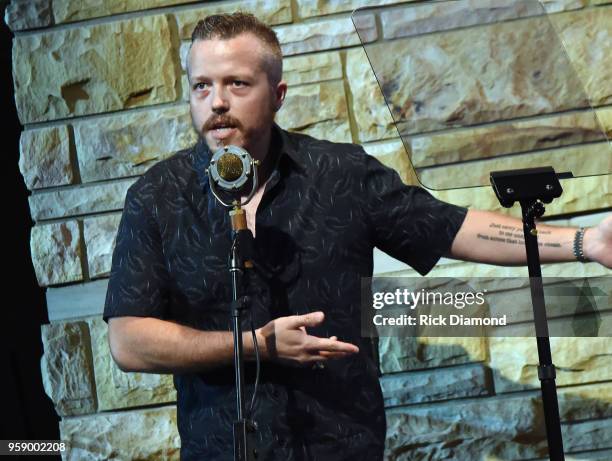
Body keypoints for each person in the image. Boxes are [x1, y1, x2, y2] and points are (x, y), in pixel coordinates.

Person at [103, 12, 612, 461]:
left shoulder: (340, 173)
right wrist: (255, 345)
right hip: (221, 448)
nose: (216, 102)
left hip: (342, 444)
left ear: (277, 94)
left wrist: (584, 242)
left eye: (236, 84)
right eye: (201, 86)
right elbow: (129, 341)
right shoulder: (157, 196)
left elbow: (450, 227)